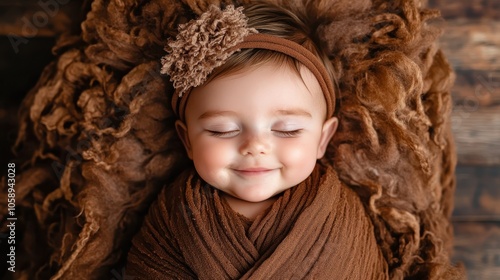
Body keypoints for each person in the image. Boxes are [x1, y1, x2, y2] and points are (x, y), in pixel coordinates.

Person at [125, 2, 389, 279]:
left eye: (287, 129)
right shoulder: (171, 218)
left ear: (323, 139)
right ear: (187, 139)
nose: (254, 146)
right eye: (222, 130)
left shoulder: (339, 215)